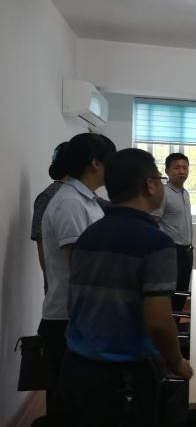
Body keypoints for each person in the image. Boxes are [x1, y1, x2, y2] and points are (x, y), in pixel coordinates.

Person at [59, 148, 193, 427]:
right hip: (124, 375)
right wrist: (178, 363)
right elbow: (158, 322)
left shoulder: (88, 235)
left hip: (76, 365)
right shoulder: (156, 242)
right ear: (150, 185)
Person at [39, 132, 116, 426]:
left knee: (86, 403)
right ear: (96, 163)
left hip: (84, 315)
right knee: (71, 408)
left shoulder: (88, 201)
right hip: (69, 320)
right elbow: (82, 268)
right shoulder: (70, 203)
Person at [152, 153, 193, 312]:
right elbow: (153, 223)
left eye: (185, 167)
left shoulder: (185, 193)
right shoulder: (163, 193)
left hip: (187, 251)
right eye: (176, 167)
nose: (182, 171)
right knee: (169, 293)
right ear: (167, 171)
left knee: (182, 292)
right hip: (171, 252)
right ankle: (167, 324)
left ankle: (175, 323)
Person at [31, 142, 68, 294]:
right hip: (60, 288)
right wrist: (51, 283)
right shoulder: (48, 196)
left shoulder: (87, 195)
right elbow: (42, 244)